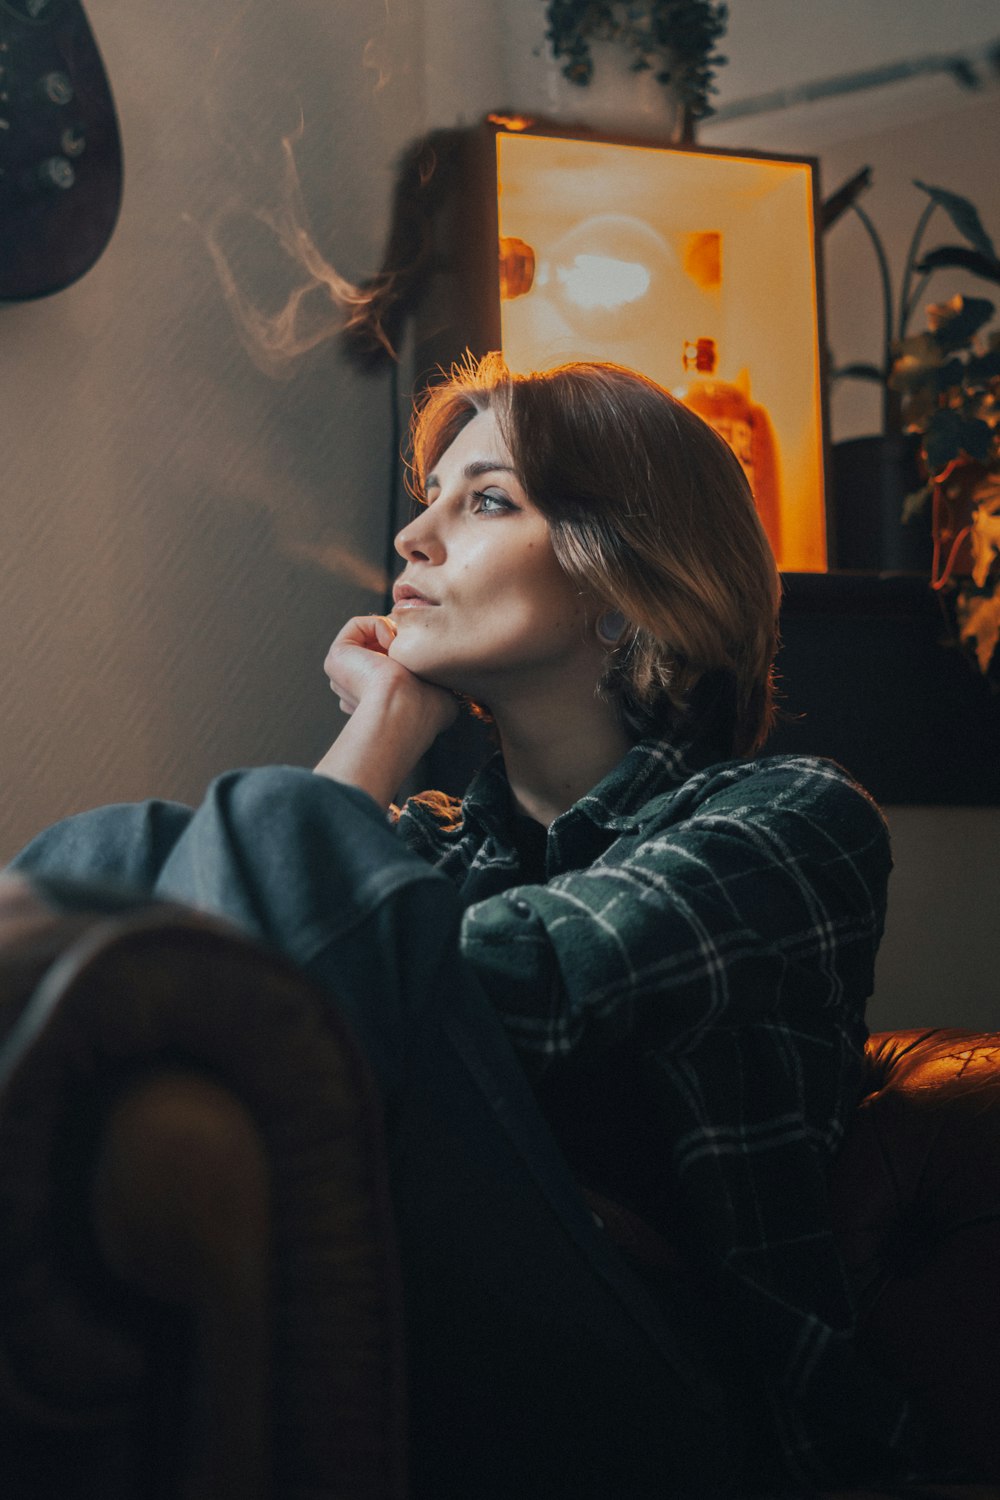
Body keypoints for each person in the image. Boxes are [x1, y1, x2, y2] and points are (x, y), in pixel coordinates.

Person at [5, 354, 918, 1497]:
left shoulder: (791, 820)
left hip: (681, 1408)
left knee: (261, 846)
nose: (413, 539)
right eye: (430, 496)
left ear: (622, 573)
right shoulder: (430, 848)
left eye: (485, 499)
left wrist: (345, 783)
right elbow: (276, 1013)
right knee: (114, 849)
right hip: (405, 1359)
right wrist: (378, 738)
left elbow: (529, 986)